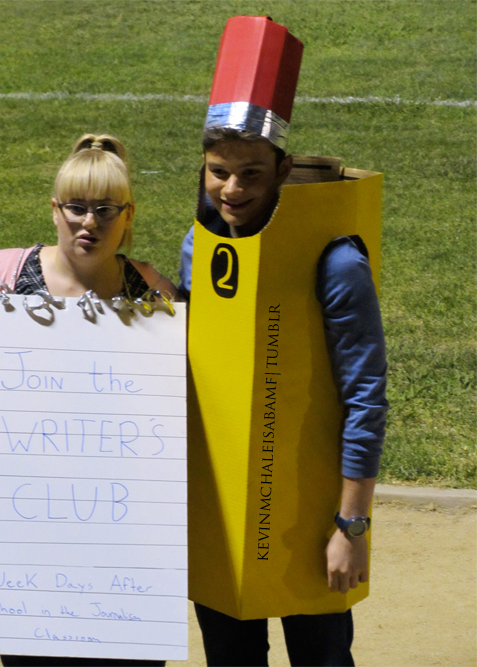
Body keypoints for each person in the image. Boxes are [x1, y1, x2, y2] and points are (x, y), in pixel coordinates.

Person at [180, 16, 388, 667]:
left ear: (283, 168)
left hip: (311, 515)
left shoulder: (337, 262)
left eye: (252, 172)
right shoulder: (196, 248)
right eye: (218, 172)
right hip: (222, 514)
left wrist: (351, 526)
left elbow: (365, 395)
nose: (233, 189)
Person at [0, 133, 178, 667]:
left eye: (106, 210)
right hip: (24, 540)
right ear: (54, 210)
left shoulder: (155, 297)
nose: (89, 222)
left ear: (128, 215)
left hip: (127, 543)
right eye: (76, 208)